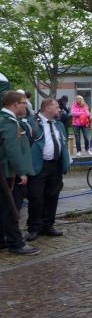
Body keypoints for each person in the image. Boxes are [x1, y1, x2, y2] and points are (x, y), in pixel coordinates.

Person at [25, 98, 70, 241]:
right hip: (39, 165)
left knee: (53, 196)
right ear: (47, 108)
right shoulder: (31, 122)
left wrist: (66, 162)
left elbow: (63, 143)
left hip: (55, 165)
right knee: (36, 198)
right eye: (56, 107)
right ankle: (34, 228)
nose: (59, 109)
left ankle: (48, 225)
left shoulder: (59, 124)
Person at [0, 91, 39, 255]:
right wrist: (21, 171)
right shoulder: (8, 122)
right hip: (11, 174)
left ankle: (2, 240)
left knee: (4, 208)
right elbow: (13, 151)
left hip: (7, 173)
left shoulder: (7, 120)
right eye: (24, 103)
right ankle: (16, 243)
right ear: (15, 104)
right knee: (11, 209)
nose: (26, 106)